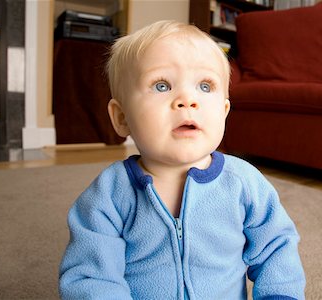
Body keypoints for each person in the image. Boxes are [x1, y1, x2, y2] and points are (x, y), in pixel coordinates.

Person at [59, 20, 306, 300]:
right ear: (122, 117)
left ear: (224, 111)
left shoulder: (243, 183)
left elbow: (277, 248)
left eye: (204, 85)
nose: (187, 100)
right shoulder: (109, 194)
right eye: (162, 86)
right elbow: (92, 276)